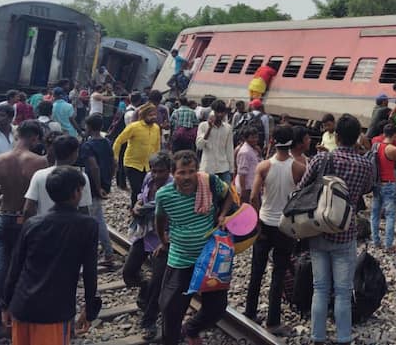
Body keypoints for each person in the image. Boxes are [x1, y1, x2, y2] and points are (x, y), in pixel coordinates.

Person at [2, 166, 101, 345]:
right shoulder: (88, 226)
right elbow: (89, 271)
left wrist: (5, 304)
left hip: (22, 307)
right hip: (53, 313)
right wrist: (90, 309)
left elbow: (15, 267)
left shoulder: (33, 223)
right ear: (76, 192)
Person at [297, 114, 373, 345]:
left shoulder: (321, 159)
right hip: (346, 232)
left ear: (336, 136)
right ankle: (343, 337)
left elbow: (302, 187)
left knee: (320, 288)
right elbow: (367, 189)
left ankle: (317, 336)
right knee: (342, 290)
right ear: (357, 137)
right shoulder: (365, 164)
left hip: (318, 230)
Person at [155, 150, 237, 345]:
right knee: (170, 308)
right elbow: (159, 219)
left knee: (217, 307)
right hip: (181, 259)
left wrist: (223, 214)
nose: (187, 177)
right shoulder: (164, 195)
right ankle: (171, 340)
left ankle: (191, 329)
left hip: (210, 259)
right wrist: (163, 239)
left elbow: (229, 196)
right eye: (182, 172)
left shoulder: (209, 183)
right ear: (173, 174)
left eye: (191, 171)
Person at [0, 120, 48, 334]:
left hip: (4, 217)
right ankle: (19, 317)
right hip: (28, 220)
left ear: (16, 135)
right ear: (34, 138)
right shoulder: (41, 162)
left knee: (0, 269)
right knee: (24, 269)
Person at [244, 126, 306, 335]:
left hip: (265, 224)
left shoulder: (263, 166)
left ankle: (250, 312)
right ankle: (273, 321)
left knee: (257, 271)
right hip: (284, 227)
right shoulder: (298, 168)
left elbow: (253, 196)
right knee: (278, 274)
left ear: (272, 140)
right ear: (292, 142)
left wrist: (257, 223)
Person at [123, 152, 173, 340]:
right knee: (129, 272)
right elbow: (141, 198)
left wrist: (165, 240)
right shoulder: (148, 179)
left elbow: (174, 218)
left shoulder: (171, 189)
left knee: (157, 283)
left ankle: (149, 321)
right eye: (154, 170)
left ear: (168, 171)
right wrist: (137, 204)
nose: (156, 175)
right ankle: (143, 289)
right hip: (144, 234)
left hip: (162, 239)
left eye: (161, 171)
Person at [24, 135, 93, 218]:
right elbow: (84, 209)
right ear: (75, 154)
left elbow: (28, 209)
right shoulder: (81, 177)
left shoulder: (39, 175)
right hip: (72, 228)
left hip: (44, 227)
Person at [80, 114, 116, 267]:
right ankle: (107, 252)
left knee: (93, 220)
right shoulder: (107, 142)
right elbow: (114, 162)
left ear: (88, 127)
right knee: (97, 217)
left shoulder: (88, 146)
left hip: (94, 186)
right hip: (104, 183)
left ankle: (99, 254)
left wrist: (98, 186)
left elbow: (93, 167)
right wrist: (109, 181)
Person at [112, 104, 161, 207]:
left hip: (148, 164)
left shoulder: (156, 128)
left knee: (147, 188)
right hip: (132, 163)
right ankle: (135, 210)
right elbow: (119, 141)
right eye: (150, 115)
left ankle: (144, 208)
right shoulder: (134, 127)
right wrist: (115, 157)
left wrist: (158, 162)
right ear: (144, 115)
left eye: (154, 115)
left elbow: (157, 147)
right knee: (136, 189)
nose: (153, 117)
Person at [370, 123, 396, 251]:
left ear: (384, 134)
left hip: (376, 183)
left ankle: (375, 241)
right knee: (390, 215)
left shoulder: (376, 145)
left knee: (375, 213)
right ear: (395, 135)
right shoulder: (393, 149)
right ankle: (389, 244)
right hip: (389, 184)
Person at [196, 100, 235, 184]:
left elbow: (229, 149)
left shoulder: (228, 128)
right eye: (217, 112)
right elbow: (199, 146)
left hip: (223, 168)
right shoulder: (203, 126)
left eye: (222, 112)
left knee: (226, 194)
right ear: (212, 112)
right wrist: (209, 129)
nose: (220, 115)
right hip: (207, 168)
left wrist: (232, 169)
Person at [235, 126, 262, 203]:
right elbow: (242, 173)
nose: (255, 140)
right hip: (247, 188)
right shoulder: (245, 152)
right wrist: (243, 191)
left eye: (256, 137)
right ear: (246, 138)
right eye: (252, 137)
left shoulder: (254, 149)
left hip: (253, 185)